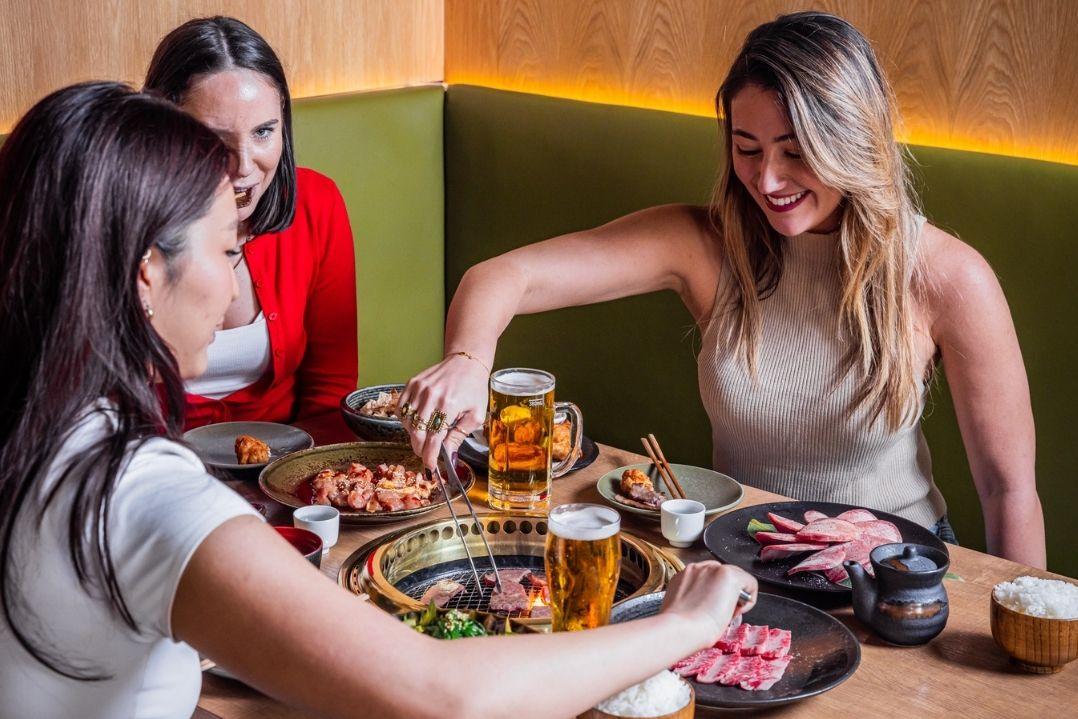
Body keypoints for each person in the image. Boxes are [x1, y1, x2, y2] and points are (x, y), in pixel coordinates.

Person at [0, 81, 757, 719]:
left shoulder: (40, 433)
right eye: (229, 249)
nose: (236, 286)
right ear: (145, 274)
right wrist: (685, 620)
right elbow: (447, 696)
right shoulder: (134, 491)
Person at [400, 12, 1045, 568]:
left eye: (796, 152)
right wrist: (466, 360)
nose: (767, 180)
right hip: (740, 561)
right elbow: (502, 277)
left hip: (889, 570)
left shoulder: (947, 276)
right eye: (747, 148)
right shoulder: (707, 246)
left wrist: (1025, 661)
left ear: (853, 140)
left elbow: (1007, 490)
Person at [144, 16, 357, 428]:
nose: (244, 167)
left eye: (263, 132)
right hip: (153, 473)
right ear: (163, 127)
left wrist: (295, 486)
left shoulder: (317, 204)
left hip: (286, 473)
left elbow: (330, 393)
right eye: (214, 140)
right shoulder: (117, 220)